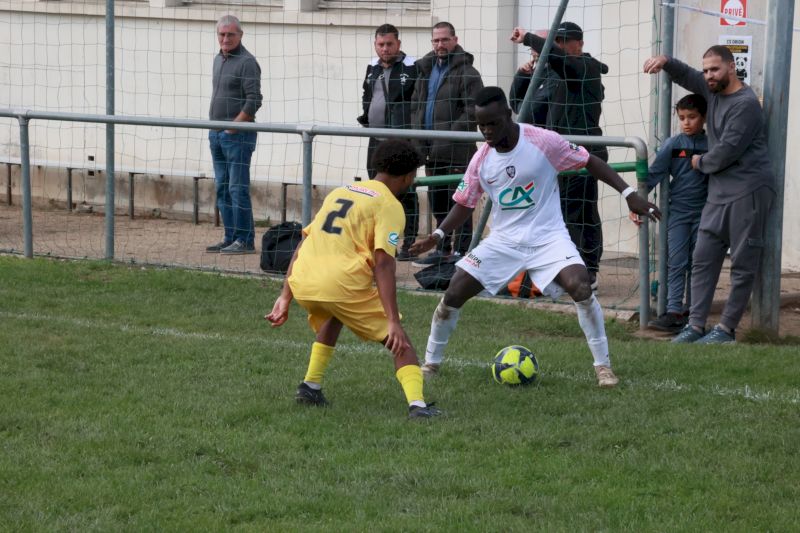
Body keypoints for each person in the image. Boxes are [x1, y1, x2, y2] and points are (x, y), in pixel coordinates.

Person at [410, 87, 660, 388]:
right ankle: (431, 363)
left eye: (493, 123)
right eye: (481, 125)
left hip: (548, 237)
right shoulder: (481, 160)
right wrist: (438, 235)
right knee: (453, 292)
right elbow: (465, 203)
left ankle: (603, 367)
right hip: (503, 241)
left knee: (580, 286)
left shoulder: (543, 141)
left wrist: (629, 193)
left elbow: (590, 161)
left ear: (508, 115)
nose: (487, 131)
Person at [266, 139, 441, 419]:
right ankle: (418, 407)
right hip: (339, 286)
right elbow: (384, 263)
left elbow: (304, 241)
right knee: (401, 343)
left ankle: (310, 386)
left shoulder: (341, 191)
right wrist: (393, 321)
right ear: (408, 177)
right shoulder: (389, 205)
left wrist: (285, 296)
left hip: (304, 281)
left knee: (337, 313)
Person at [643, 46, 775, 344]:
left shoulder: (745, 104)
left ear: (732, 67)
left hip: (749, 189)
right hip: (719, 191)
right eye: (706, 70)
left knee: (742, 263)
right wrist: (666, 61)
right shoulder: (711, 90)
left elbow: (727, 150)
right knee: (703, 257)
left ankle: (726, 329)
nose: (708, 75)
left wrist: (700, 162)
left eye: (715, 69)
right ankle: (695, 325)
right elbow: (687, 75)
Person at [511, 23, 609, 290]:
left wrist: (528, 39)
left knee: (577, 213)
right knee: (559, 214)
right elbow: (523, 108)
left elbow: (563, 61)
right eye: (557, 41)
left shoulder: (585, 67)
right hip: (554, 157)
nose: (559, 46)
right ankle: (563, 269)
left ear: (579, 44)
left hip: (583, 156)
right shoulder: (552, 73)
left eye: (564, 41)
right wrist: (522, 77)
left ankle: (585, 271)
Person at [630, 94, 709, 333]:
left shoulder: (713, 145)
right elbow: (654, 174)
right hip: (678, 213)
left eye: (692, 117)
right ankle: (674, 310)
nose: (686, 123)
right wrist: (636, 203)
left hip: (706, 213)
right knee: (676, 261)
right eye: (682, 118)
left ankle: (693, 313)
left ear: (704, 117)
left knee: (699, 263)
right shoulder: (673, 145)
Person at [411, 22, 484, 266]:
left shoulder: (468, 73)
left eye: (444, 39)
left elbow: (473, 111)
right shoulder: (425, 70)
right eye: (436, 40)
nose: (440, 45)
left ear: (455, 40)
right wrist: (418, 139)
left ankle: (461, 252)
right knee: (438, 202)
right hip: (430, 152)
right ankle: (442, 250)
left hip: (457, 151)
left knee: (460, 203)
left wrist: (449, 136)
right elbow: (416, 107)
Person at [357, 24, 420, 261]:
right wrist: (366, 116)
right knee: (375, 190)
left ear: (398, 44)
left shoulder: (413, 67)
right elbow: (367, 94)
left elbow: (418, 102)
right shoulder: (372, 67)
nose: (385, 49)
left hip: (401, 140)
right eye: (381, 44)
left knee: (406, 191)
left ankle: (409, 243)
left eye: (389, 44)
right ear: (375, 45)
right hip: (376, 139)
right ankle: (378, 243)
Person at [206, 15, 262, 255]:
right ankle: (230, 236)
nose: (225, 39)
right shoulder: (218, 59)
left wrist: (234, 126)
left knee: (237, 189)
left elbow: (254, 100)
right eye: (222, 34)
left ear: (240, 35)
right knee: (222, 188)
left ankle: (245, 240)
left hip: (238, 137)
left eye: (230, 34)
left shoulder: (247, 62)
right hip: (216, 135)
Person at [508, 46, 554, 127]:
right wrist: (522, 75)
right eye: (532, 49)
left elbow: (533, 109)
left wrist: (522, 107)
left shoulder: (556, 73)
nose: (534, 52)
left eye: (536, 46)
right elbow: (514, 103)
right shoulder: (534, 71)